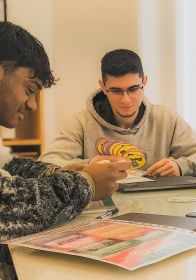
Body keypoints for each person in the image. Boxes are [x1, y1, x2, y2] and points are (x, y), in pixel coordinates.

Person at [0, 21, 131, 279]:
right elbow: (8, 206)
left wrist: (60, 172)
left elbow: (8, 167)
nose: (33, 105)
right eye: (29, 89)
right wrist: (86, 183)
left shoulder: (167, 117)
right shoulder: (81, 121)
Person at [39, 49, 196, 177]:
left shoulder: (166, 119)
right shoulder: (81, 123)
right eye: (116, 91)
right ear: (103, 86)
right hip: (104, 211)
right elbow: (45, 164)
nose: (126, 100)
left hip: (157, 209)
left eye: (133, 89)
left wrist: (180, 166)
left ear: (145, 82)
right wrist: (88, 167)